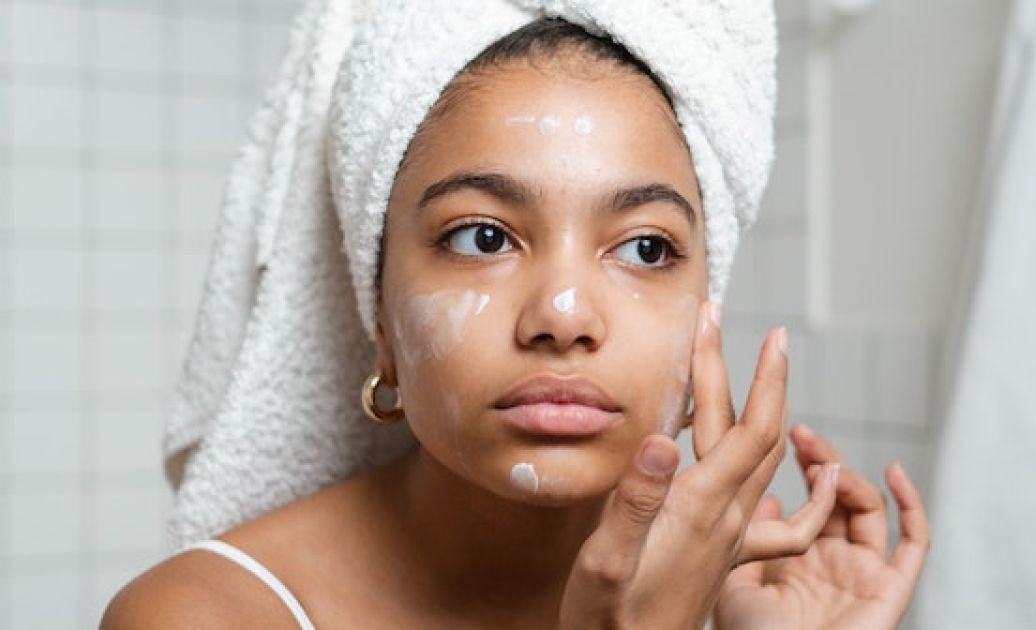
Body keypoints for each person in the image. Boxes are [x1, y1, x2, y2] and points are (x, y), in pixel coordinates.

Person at [103, 11, 928, 630]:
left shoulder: (718, 598)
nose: (563, 317)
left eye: (644, 248)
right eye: (484, 237)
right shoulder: (201, 617)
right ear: (381, 321)